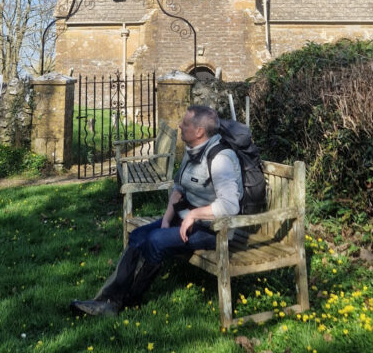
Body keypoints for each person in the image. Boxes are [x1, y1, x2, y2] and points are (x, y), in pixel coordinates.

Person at [70, 105, 243, 316]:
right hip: (187, 221)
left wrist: (194, 215)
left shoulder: (220, 159)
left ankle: (127, 300)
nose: (179, 125)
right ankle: (109, 300)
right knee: (139, 235)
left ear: (199, 131)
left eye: (185, 123)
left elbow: (230, 205)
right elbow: (179, 188)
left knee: (155, 241)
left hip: (215, 231)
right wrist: (166, 220)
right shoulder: (193, 151)